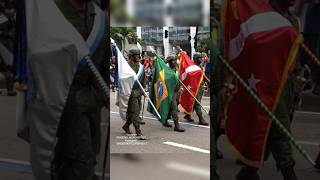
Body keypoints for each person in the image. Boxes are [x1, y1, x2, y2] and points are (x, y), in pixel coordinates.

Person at [236, 1, 300, 179]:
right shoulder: (260, 17)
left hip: (288, 83)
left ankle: (248, 171)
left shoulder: (291, 18)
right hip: (266, 82)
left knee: (270, 131)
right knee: (280, 129)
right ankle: (289, 173)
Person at [51, 0, 108, 179]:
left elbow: (104, 58)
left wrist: (105, 93)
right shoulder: (51, 13)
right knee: (80, 159)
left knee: (84, 153)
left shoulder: (98, 17)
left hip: (92, 99)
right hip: (65, 99)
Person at [121, 47, 146, 140]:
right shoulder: (126, 67)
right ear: (131, 56)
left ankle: (126, 126)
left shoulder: (141, 67)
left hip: (138, 91)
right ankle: (138, 131)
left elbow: (143, 78)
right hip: (130, 92)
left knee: (136, 111)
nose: (137, 57)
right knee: (135, 112)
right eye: (135, 55)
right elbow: (123, 80)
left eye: (138, 55)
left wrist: (144, 88)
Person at [183, 52, 209, 126]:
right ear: (196, 59)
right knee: (197, 103)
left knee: (194, 101)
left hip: (200, 87)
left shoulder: (200, 66)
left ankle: (187, 115)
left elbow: (202, 76)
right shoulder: (193, 68)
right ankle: (201, 119)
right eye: (200, 58)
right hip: (195, 87)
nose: (201, 59)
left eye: (201, 58)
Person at [163, 55, 185, 132]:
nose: (175, 62)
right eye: (173, 60)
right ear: (169, 61)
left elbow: (178, 78)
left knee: (170, 108)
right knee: (174, 108)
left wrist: (180, 87)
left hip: (176, 91)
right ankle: (177, 125)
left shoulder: (176, 68)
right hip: (170, 92)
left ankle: (164, 120)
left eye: (176, 60)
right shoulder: (166, 70)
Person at [0, 0, 16, 96]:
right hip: (5, 44)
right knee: (7, 67)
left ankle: (10, 89)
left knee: (8, 67)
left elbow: (12, 34)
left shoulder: (11, 20)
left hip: (7, 44)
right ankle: (9, 89)